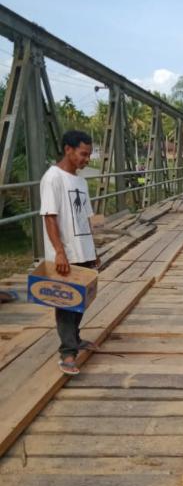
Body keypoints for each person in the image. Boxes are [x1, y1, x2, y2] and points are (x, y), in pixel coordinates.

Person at [39, 130, 99, 376]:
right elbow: (50, 217)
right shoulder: (53, 178)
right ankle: (67, 353)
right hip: (66, 253)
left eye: (88, 155)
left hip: (83, 249)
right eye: (83, 154)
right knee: (65, 302)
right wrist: (59, 253)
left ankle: (75, 338)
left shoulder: (81, 181)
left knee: (81, 300)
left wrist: (94, 250)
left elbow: (86, 219)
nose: (87, 159)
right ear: (68, 150)